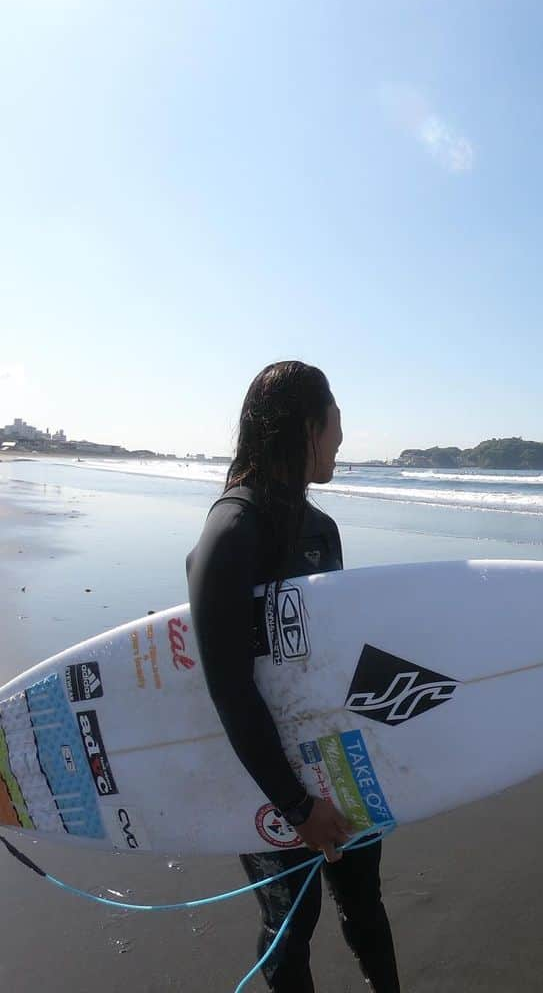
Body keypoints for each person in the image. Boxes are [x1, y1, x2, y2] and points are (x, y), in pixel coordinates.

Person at [186, 361, 400, 993]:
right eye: (336, 426)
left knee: (365, 900)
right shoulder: (233, 530)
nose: (341, 441)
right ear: (308, 427)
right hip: (269, 777)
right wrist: (296, 804)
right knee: (292, 920)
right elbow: (227, 686)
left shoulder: (321, 529)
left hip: (336, 759)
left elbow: (328, 660)